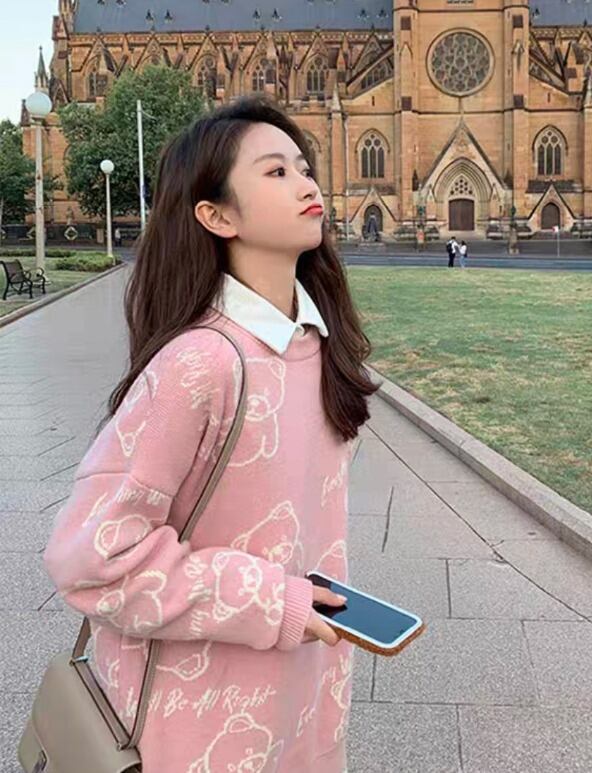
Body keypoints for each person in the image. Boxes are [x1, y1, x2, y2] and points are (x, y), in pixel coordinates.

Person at [42, 98, 379, 772]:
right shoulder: (200, 364)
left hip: (304, 700)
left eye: (304, 168)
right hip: (198, 725)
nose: (306, 183)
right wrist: (272, 599)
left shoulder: (321, 347)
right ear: (217, 215)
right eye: (276, 171)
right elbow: (89, 558)